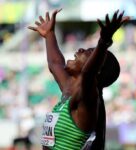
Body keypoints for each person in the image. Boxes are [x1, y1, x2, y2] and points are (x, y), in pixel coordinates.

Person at [28, 9, 130, 150]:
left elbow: (88, 73)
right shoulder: (70, 91)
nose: (81, 49)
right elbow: (55, 64)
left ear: (96, 68)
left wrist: (104, 41)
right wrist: (49, 34)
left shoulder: (87, 100)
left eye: (88, 53)